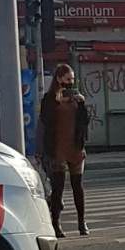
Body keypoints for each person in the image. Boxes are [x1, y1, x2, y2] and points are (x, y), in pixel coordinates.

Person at [37, 64, 91, 238]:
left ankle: (82, 222)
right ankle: (55, 223)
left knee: (78, 187)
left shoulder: (76, 99)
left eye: (73, 80)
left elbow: (85, 121)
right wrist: (58, 101)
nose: (70, 83)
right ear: (59, 79)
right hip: (57, 147)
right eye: (68, 79)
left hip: (75, 147)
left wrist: (81, 104)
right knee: (58, 188)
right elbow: (45, 120)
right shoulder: (49, 99)